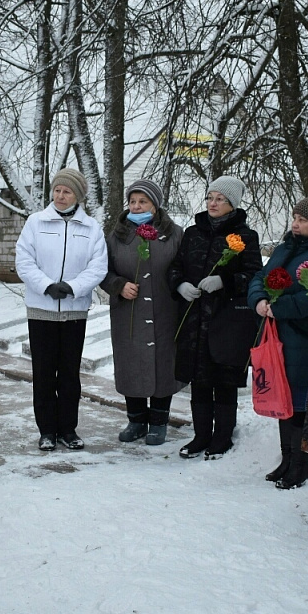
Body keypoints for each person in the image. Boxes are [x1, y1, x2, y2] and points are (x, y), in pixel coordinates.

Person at [247, 196, 308, 489]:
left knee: (299, 401)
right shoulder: (287, 246)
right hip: (277, 335)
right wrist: (259, 300)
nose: (295, 224)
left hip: (306, 337)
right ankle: (286, 458)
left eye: (303, 220)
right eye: (295, 218)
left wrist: (280, 307)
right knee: (282, 398)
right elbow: (260, 276)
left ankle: (301, 463)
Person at [168, 175, 262, 459]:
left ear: (232, 204)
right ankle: (200, 435)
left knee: (224, 380)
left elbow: (254, 275)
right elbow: (176, 267)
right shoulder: (193, 233)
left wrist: (224, 281)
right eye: (210, 197)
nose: (213, 203)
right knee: (199, 380)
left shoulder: (245, 237)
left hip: (227, 321)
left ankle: (222, 436)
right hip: (194, 319)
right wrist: (180, 285)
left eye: (220, 199)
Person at [15, 168, 108, 451]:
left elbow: (98, 267)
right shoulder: (36, 222)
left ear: (77, 196)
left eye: (67, 191)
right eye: (57, 190)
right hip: (41, 310)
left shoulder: (91, 228)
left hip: (74, 311)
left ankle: (68, 429)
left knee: (69, 374)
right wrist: (46, 286)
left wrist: (72, 287)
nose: (60, 196)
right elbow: (24, 260)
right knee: (43, 373)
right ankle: (46, 430)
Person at [100, 179, 184, 446]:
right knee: (132, 363)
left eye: (143, 201)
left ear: (155, 205)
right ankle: (136, 420)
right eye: (132, 201)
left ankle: (159, 422)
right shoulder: (116, 236)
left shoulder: (174, 234)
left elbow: (184, 267)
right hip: (129, 313)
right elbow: (102, 271)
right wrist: (119, 285)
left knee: (164, 365)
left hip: (165, 311)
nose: (136, 206)